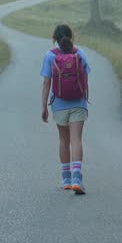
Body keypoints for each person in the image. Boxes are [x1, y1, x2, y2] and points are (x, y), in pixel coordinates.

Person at [40, 23, 91, 194]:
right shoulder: (80, 53)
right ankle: (77, 177)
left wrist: (44, 107)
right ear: (71, 36)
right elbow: (86, 78)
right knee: (76, 139)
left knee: (64, 140)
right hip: (78, 103)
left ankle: (66, 179)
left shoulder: (50, 56)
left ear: (54, 38)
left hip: (59, 104)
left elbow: (47, 82)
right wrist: (84, 97)